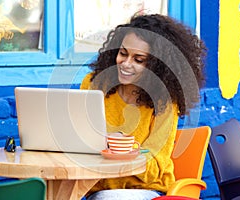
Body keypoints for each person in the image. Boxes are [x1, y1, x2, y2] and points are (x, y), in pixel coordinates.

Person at [80, 13, 206, 200]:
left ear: (157, 66)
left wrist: (121, 149)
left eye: (138, 59)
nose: (126, 64)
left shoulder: (165, 100)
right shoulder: (94, 83)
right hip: (92, 187)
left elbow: (154, 167)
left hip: (147, 190)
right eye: (122, 53)